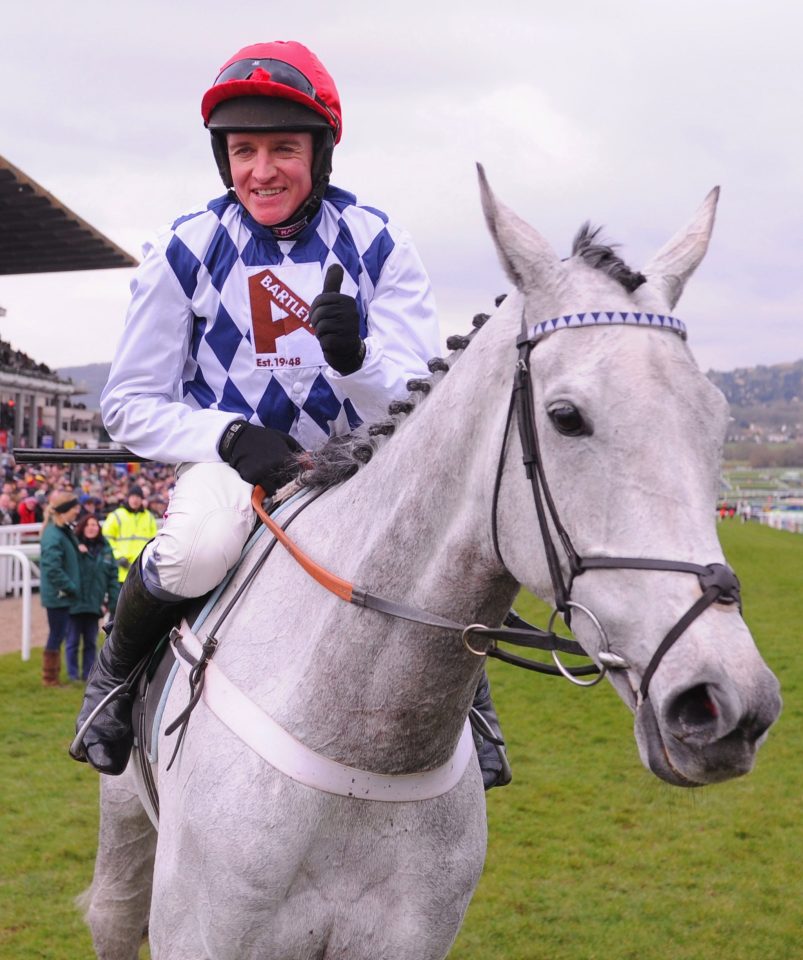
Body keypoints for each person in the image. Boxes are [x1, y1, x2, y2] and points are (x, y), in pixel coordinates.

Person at [74, 40, 507, 790]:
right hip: (229, 469)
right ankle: (113, 680)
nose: (261, 170)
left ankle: (471, 705)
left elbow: (419, 402)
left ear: (321, 152)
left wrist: (356, 362)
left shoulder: (377, 241)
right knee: (201, 547)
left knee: (436, 551)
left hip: (357, 465)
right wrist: (229, 435)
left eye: (282, 148)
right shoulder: (185, 248)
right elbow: (129, 405)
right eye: (243, 150)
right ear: (223, 158)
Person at [66, 514, 120, 682]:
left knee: (90, 641)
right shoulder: (73, 547)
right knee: (73, 641)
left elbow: (112, 576)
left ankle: (88, 674)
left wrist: (113, 603)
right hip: (74, 602)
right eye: (88, 524)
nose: (92, 527)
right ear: (82, 527)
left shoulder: (105, 549)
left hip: (94, 604)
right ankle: (72, 675)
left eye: (95, 525)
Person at [39, 491, 82, 686]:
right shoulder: (53, 533)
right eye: (74, 509)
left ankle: (52, 676)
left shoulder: (60, 530)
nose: (77, 512)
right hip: (58, 594)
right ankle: (49, 678)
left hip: (61, 593)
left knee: (59, 633)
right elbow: (51, 567)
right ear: (65, 510)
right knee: (57, 634)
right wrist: (70, 586)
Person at [101, 485, 158, 584]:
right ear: (128, 498)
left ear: (142, 500)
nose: (135, 500)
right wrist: (118, 556)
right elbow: (106, 539)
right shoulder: (116, 515)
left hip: (142, 571)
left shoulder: (149, 517)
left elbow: (155, 542)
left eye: (138, 497)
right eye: (132, 497)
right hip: (120, 570)